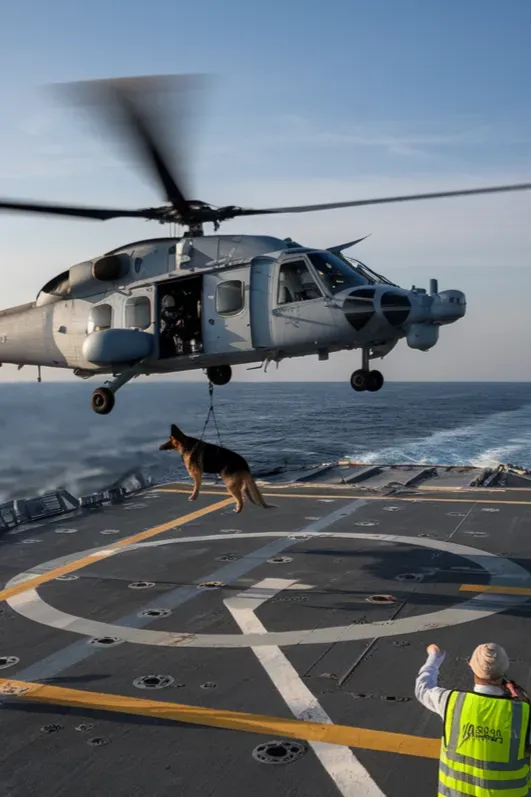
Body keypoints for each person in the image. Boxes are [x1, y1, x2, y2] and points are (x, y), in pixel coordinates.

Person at [415, 642, 531, 796]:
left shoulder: (452, 702)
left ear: (471, 666)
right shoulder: (522, 713)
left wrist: (434, 657)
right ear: (504, 670)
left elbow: (423, 688)